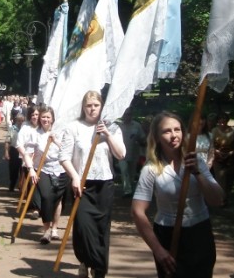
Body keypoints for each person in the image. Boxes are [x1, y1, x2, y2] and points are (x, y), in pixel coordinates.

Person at [131, 112, 224, 278]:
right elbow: (137, 211)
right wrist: (158, 250)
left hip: (199, 233)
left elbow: (217, 199)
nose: (174, 135)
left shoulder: (196, 162)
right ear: (157, 137)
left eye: (177, 129)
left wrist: (197, 173)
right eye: (167, 131)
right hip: (168, 234)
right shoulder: (151, 169)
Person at [58, 91, 126, 278]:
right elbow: (63, 157)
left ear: (102, 106)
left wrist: (107, 135)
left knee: (101, 229)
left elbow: (121, 155)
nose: (92, 108)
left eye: (96, 105)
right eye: (89, 105)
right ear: (83, 107)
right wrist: (74, 177)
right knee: (83, 227)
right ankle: (85, 260)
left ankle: (98, 268)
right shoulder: (74, 127)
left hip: (104, 185)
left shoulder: (112, 128)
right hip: (82, 185)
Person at [23, 106, 67, 244]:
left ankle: (55, 228)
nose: (45, 119)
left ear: (53, 118)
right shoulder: (35, 134)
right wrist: (30, 169)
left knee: (58, 199)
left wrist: (56, 142)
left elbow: (68, 151)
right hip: (42, 169)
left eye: (48, 117)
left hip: (60, 169)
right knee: (47, 197)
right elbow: (28, 154)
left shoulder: (61, 132)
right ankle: (46, 229)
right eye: (43, 117)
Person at [210, 112, 234, 205]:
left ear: (227, 120)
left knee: (228, 180)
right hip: (218, 158)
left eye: (224, 118)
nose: (222, 121)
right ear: (218, 121)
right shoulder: (214, 130)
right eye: (220, 119)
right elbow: (211, 144)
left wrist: (231, 153)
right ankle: (221, 199)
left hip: (230, 158)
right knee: (220, 179)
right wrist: (217, 152)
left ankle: (226, 196)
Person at [118, 109, 146, 198]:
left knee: (132, 172)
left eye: (129, 114)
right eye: (125, 114)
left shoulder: (136, 126)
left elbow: (142, 138)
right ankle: (127, 191)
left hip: (134, 152)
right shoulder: (119, 126)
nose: (127, 116)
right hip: (121, 153)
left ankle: (131, 189)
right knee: (124, 170)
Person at [4, 113, 25, 192]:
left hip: (23, 151)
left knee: (23, 169)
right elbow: (7, 141)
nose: (20, 122)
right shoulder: (12, 129)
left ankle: (22, 186)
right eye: (19, 120)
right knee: (13, 169)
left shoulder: (26, 129)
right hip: (14, 151)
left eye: (22, 121)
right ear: (16, 120)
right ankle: (12, 184)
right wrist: (6, 152)